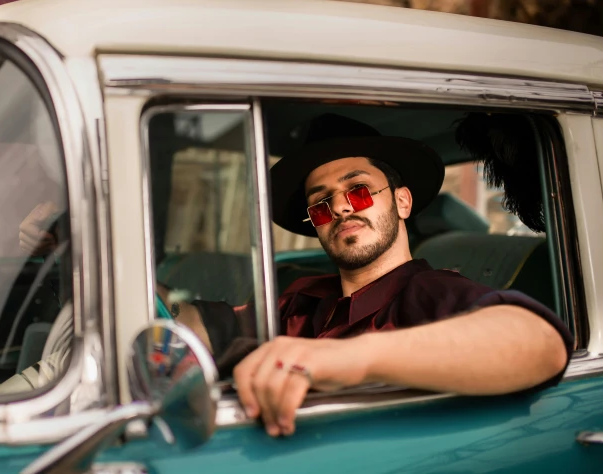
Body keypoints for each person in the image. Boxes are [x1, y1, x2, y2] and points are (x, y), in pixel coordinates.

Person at [169, 113, 572, 438]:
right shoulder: (302, 298)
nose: (341, 208)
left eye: (358, 190)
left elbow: (541, 344)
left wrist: (341, 359)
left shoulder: (429, 292)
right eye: (322, 204)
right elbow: (205, 324)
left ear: (401, 201)